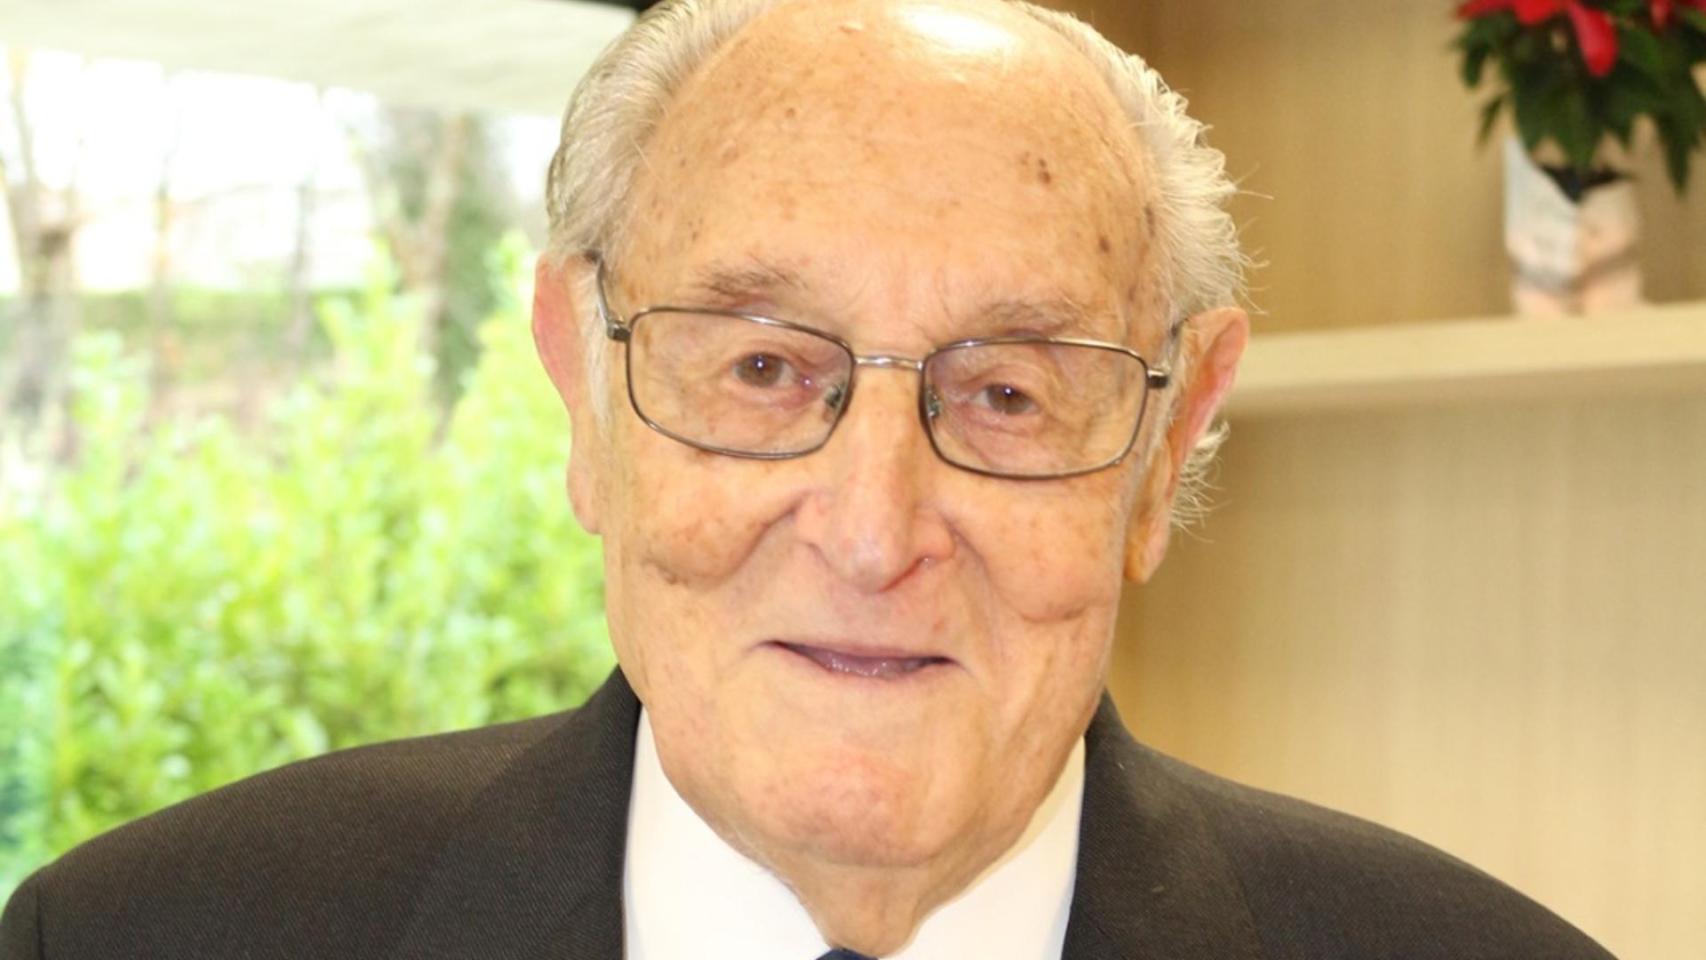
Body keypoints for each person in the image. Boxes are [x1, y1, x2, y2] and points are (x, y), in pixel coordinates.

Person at [0, 0, 1617, 957]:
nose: (870, 530)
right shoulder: (139, 938)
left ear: (1168, 440)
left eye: (1004, 391)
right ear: (582, 394)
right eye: (764, 369)